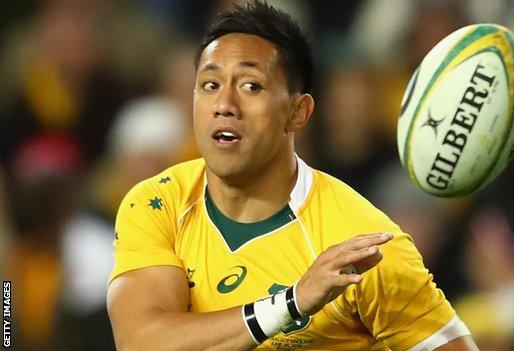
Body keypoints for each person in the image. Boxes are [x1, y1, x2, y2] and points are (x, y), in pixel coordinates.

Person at [106, 1, 478, 350]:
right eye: (210, 85)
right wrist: (291, 303)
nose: (224, 105)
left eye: (251, 86)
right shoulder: (159, 204)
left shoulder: (365, 251)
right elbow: (140, 340)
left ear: (298, 112)